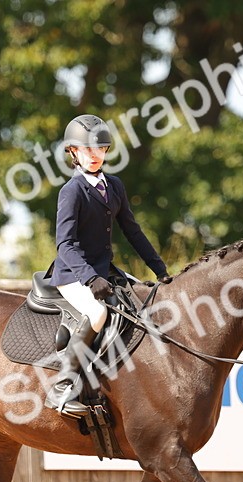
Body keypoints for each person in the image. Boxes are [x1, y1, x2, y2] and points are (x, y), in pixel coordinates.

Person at [45, 113, 173, 416]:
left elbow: (132, 230)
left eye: (100, 149)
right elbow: (65, 244)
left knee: (142, 300)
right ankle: (63, 385)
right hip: (73, 273)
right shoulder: (72, 191)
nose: (94, 155)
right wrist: (90, 279)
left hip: (105, 271)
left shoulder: (114, 186)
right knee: (98, 312)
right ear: (73, 152)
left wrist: (161, 270)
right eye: (87, 150)